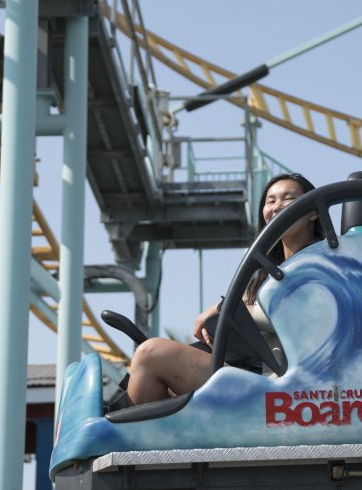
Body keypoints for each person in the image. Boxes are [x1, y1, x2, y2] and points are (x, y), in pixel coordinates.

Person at [127, 173, 324, 405]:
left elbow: (298, 313)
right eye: (270, 201)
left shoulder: (320, 263)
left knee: (151, 354)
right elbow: (243, 309)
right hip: (253, 368)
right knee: (146, 372)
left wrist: (221, 309)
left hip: (281, 381)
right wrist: (221, 322)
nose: (277, 207)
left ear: (313, 212)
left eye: (288, 199)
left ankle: (138, 439)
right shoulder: (265, 273)